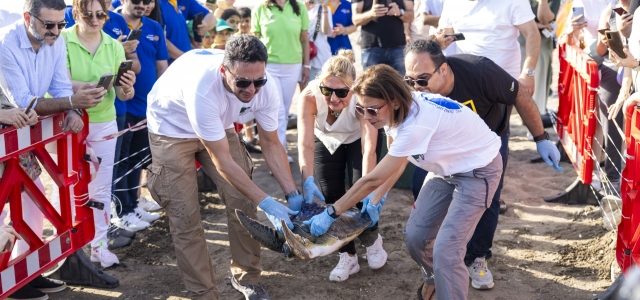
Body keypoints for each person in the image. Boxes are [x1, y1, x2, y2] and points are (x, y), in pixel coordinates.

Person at [304, 64, 504, 300]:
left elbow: (373, 178)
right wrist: (377, 197)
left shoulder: (416, 124)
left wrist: (332, 212)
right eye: (360, 109)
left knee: (446, 251)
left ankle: (448, 289)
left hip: (478, 171)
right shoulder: (399, 108)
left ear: (394, 102)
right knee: (415, 237)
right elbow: (396, 157)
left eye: (372, 110)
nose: (366, 117)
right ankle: (435, 280)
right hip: (443, 169)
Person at [146, 35, 303, 300]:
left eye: (258, 81)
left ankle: (247, 278)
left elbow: (271, 143)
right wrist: (269, 204)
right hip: (171, 127)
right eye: (242, 82)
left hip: (217, 124)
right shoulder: (203, 89)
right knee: (185, 215)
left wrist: (292, 194)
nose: (251, 90)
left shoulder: (267, 86)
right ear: (224, 70)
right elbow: (223, 162)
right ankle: (204, 293)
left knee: (243, 200)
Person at [404, 39, 562, 292]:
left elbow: (519, 94)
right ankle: (439, 261)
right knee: (418, 188)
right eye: (409, 81)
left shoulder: (480, 72)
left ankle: (477, 256)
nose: (416, 87)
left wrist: (541, 138)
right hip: (445, 146)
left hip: (489, 143)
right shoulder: (418, 91)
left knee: (489, 200)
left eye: (422, 80)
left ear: (443, 69)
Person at [0, 0, 108, 297]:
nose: (57, 31)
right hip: (6, 128)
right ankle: (4, 279)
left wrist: (71, 111)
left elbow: (59, 87)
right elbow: (23, 100)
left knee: (34, 197)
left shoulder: (55, 42)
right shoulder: (5, 44)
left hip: (18, 136)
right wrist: (72, 104)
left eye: (61, 25)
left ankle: (24, 270)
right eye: (49, 25)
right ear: (26, 18)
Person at [297, 50, 386, 282]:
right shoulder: (309, 96)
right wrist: (307, 179)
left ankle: (372, 240)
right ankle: (348, 256)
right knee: (331, 195)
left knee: (359, 194)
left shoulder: (362, 97)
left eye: (342, 92)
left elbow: (369, 147)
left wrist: (369, 188)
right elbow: (305, 143)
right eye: (327, 90)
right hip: (326, 139)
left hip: (357, 138)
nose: (334, 98)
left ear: (353, 88)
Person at [62, 0, 137, 266]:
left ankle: (99, 246)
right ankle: (70, 247)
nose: (95, 20)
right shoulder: (62, 40)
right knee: (69, 188)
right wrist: (90, 86)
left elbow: (124, 94)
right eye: (88, 14)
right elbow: (59, 81)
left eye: (101, 14)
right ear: (76, 13)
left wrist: (127, 86)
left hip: (105, 121)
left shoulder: (114, 45)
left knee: (101, 188)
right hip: (68, 125)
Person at [112, 0, 169, 232]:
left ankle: (132, 205)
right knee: (120, 161)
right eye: (136, 0)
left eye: (148, 1)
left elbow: (161, 67)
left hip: (148, 107)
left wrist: (161, 100)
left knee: (137, 159)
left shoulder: (154, 27)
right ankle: (121, 211)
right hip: (124, 105)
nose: (143, 5)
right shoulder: (112, 22)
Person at [438, 0, 540, 97]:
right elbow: (444, 36)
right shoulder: (451, 2)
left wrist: (528, 73)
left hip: (503, 82)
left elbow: (532, 34)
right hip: (466, 79)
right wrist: (439, 40)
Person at [252, 0, 310, 163]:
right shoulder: (260, 8)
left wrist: (306, 65)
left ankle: (279, 150)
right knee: (275, 110)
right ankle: (278, 154)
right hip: (268, 66)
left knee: (284, 110)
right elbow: (255, 40)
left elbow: (304, 39)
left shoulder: (299, 8)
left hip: (293, 66)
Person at [518, 0, 561, 127]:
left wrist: (542, 2)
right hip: (518, 43)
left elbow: (545, 19)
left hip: (540, 45)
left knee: (538, 86)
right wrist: (538, 26)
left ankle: (533, 125)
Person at [352, 0, 414, 75]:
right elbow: (355, 20)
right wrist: (370, 14)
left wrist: (400, 12)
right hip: (371, 47)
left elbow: (411, 17)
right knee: (371, 84)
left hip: (398, 47)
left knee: (400, 84)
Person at [305, 0, 332, 81]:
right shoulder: (299, 6)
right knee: (304, 89)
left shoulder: (324, 8)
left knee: (318, 89)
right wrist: (305, 9)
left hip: (320, 56)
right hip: (302, 55)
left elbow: (326, 31)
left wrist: (325, 8)